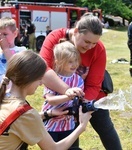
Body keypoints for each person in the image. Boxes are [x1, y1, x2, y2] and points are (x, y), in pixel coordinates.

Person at [40, 13, 122, 150]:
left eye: (94, 43)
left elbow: (94, 84)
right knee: (69, 137)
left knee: (105, 128)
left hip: (90, 97)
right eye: (87, 41)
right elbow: (42, 69)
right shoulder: (55, 38)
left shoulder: (98, 49)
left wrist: (82, 105)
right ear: (76, 31)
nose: (90, 47)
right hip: (60, 98)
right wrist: (68, 92)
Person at [0, 50, 92, 150]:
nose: (41, 84)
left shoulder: (4, 95)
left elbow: (17, 120)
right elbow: (54, 148)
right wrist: (82, 126)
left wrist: (48, 114)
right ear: (28, 78)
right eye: (40, 79)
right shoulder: (24, 112)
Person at [41, 41, 84, 149]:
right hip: (51, 123)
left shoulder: (78, 80)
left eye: (76, 60)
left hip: (68, 123)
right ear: (58, 61)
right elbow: (51, 100)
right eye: (70, 61)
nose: (74, 64)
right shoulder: (52, 78)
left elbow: (79, 101)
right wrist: (69, 96)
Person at [0, 17, 27, 82]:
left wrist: (6, 49)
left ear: (15, 33)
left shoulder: (21, 51)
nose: (1, 37)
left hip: (12, 87)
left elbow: (16, 67)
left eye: (5, 34)